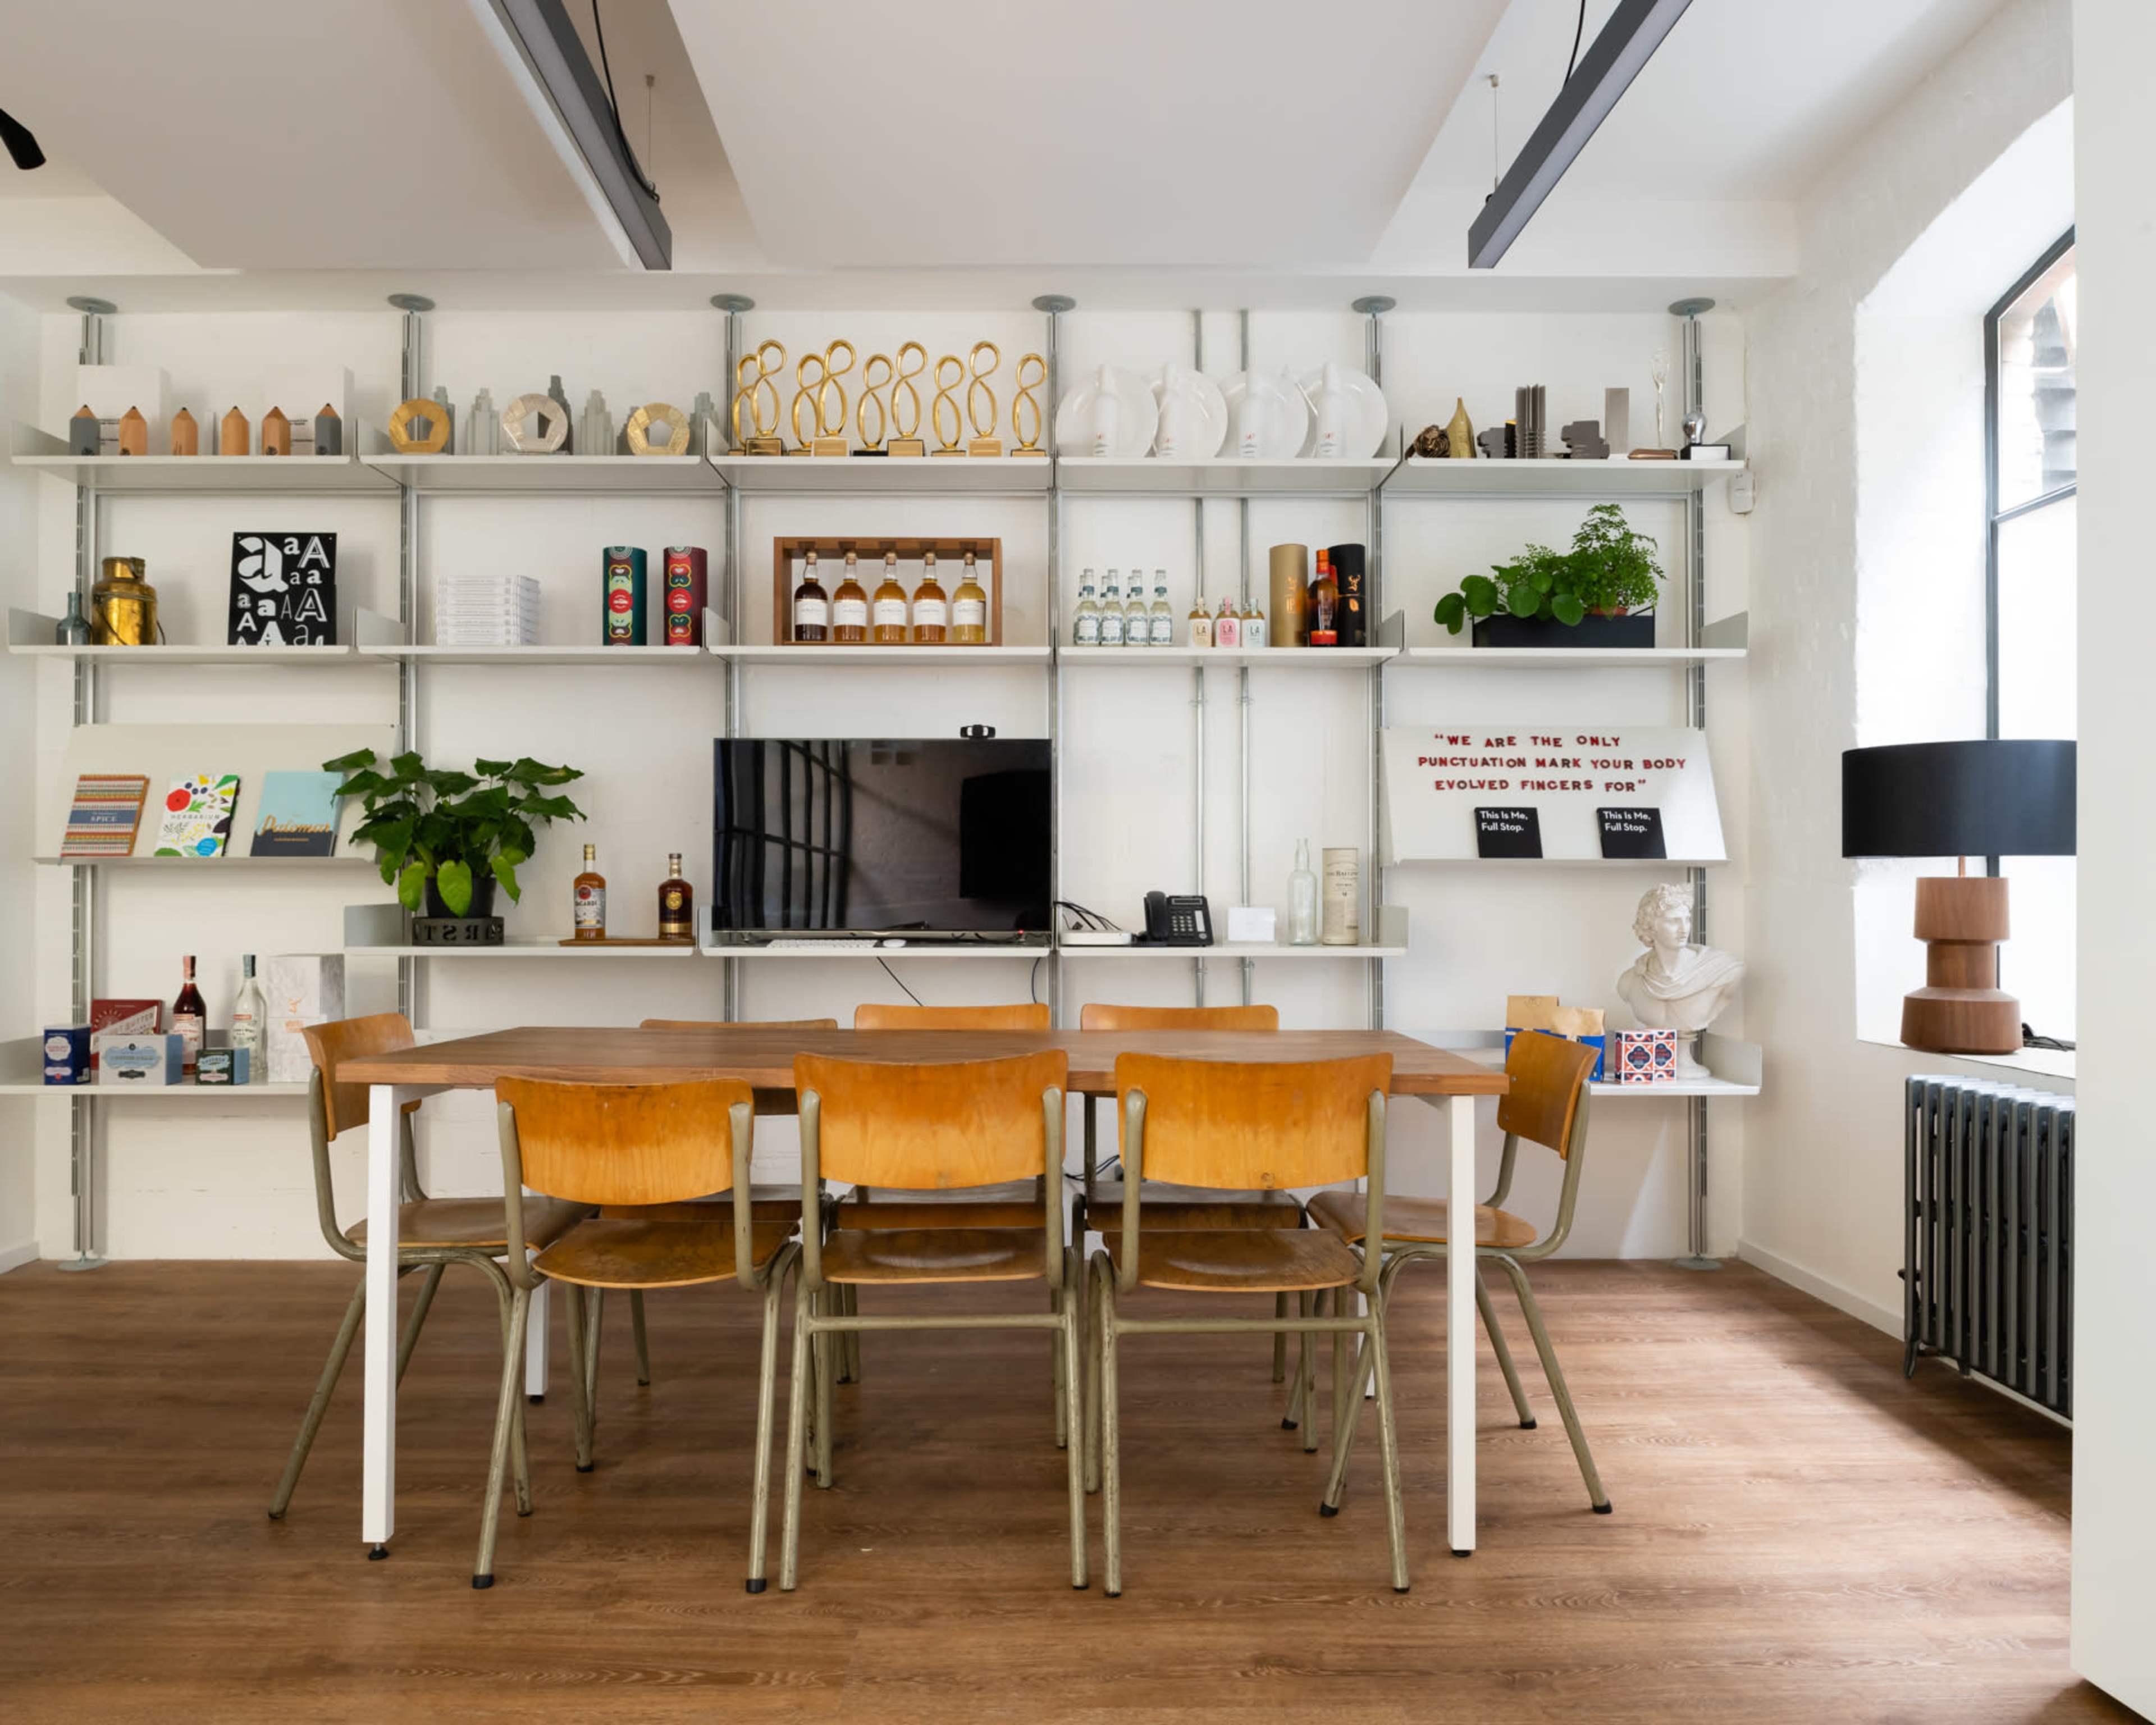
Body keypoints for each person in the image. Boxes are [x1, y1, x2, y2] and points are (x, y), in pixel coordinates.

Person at [1614, 883, 1743, 1076]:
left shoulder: (1721, 972)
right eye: (1674, 921)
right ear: (1651, 926)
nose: (1684, 929)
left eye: (1687, 919)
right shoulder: (1630, 981)